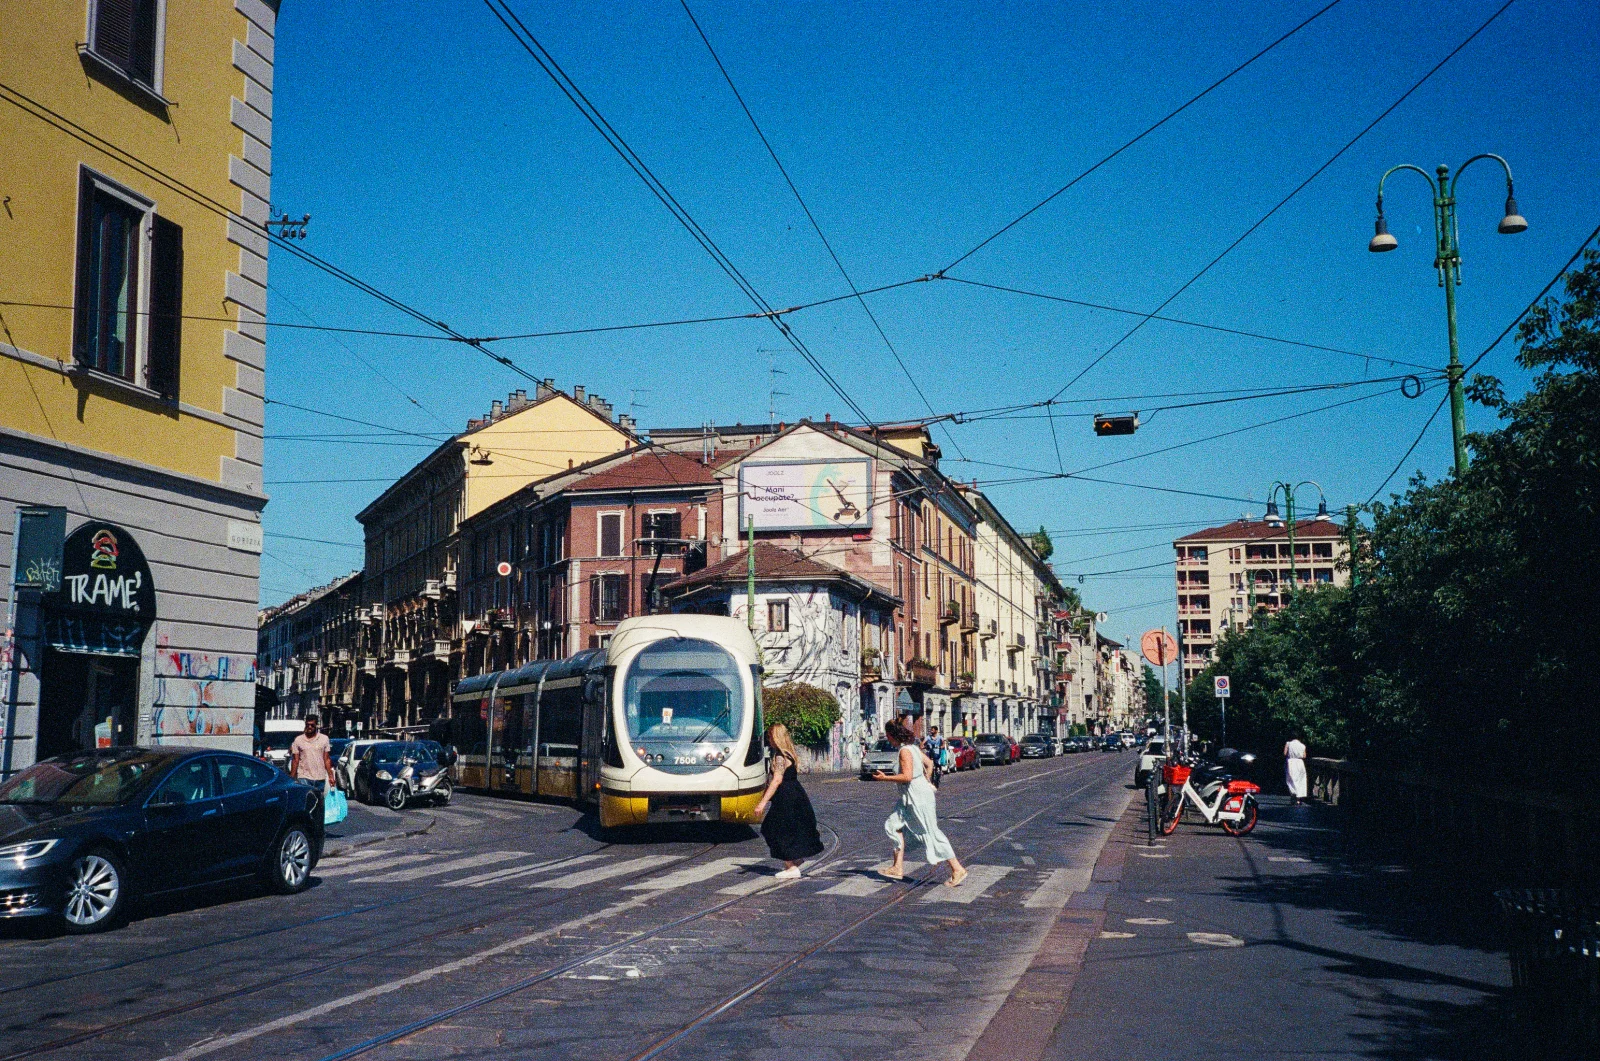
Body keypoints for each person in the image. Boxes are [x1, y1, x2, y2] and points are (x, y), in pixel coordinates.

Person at [873, 718, 967, 887]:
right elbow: (929, 763)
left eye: (888, 736)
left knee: (931, 833)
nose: (887, 739)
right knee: (894, 825)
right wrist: (926, 779)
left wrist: (885, 778)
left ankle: (957, 869)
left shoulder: (905, 751)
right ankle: (897, 867)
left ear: (893, 735)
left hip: (917, 797)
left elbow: (907, 776)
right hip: (911, 797)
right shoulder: (913, 748)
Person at [753, 723, 824, 879]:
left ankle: (791, 867)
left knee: (775, 829)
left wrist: (762, 803)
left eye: (770, 736)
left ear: (776, 737)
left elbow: (777, 780)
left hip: (786, 797)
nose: (768, 739)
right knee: (787, 828)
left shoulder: (780, 756)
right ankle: (795, 859)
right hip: (795, 794)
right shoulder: (789, 753)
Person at [290, 715, 336, 791]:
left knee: (318, 801)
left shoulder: (324, 739)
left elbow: (327, 759)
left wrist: (331, 776)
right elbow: (295, 760)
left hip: (320, 777)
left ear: (316, 725)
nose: (310, 727)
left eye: (312, 725)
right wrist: (291, 778)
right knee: (307, 800)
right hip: (304, 776)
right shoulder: (298, 740)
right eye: (307, 725)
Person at [1284, 733, 1309, 805]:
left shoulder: (1288, 744)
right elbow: (1304, 756)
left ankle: (1293, 794)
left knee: (1291, 780)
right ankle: (1298, 799)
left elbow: (1285, 753)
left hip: (1291, 762)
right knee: (1300, 780)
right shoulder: (1302, 745)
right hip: (1300, 763)